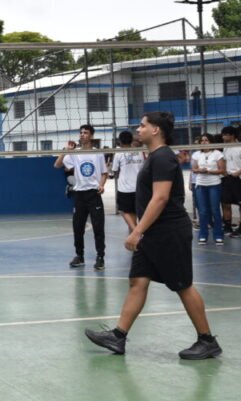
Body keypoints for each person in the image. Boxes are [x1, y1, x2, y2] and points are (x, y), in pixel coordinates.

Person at [85, 112, 222, 360]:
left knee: (182, 285)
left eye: (142, 125)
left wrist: (136, 231)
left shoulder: (163, 158)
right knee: (138, 281)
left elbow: (160, 198)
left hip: (169, 232)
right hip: (153, 233)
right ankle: (118, 336)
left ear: (156, 130)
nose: (138, 129)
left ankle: (207, 340)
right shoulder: (153, 156)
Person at [54, 124, 108, 270]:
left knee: (98, 227)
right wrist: (65, 151)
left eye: (86, 132)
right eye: (81, 132)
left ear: (91, 136)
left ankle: (100, 257)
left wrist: (102, 185)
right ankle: (80, 256)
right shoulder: (75, 153)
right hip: (79, 195)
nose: (82, 134)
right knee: (78, 227)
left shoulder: (98, 153)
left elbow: (104, 173)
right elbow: (57, 165)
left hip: (94, 194)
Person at [191, 133, 226, 245]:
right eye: (202, 140)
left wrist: (209, 171)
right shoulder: (196, 154)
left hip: (214, 184)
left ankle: (218, 235)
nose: (204, 142)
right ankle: (203, 235)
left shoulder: (217, 154)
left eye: (206, 140)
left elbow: (222, 170)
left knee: (215, 210)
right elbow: (194, 169)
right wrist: (200, 170)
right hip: (200, 185)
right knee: (202, 211)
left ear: (211, 142)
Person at [110, 131, 144, 232]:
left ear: (119, 141)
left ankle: (136, 232)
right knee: (135, 214)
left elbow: (115, 171)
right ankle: (134, 235)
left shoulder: (118, 153)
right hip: (139, 188)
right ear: (131, 140)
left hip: (125, 189)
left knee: (123, 210)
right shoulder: (140, 152)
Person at [220, 125, 241, 237]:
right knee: (225, 203)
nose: (223, 137)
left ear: (232, 135)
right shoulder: (225, 148)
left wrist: (239, 172)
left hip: (240, 179)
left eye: (225, 135)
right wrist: (224, 172)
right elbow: (225, 161)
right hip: (228, 178)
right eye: (223, 135)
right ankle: (227, 226)